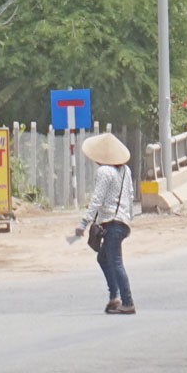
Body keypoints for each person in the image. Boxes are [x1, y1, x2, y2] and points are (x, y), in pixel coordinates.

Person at [76, 134, 136, 314]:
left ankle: (127, 301)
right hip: (123, 222)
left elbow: (97, 199)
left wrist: (84, 222)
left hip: (112, 222)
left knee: (115, 261)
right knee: (103, 258)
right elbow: (130, 196)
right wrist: (128, 218)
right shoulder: (125, 170)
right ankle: (114, 297)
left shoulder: (104, 172)